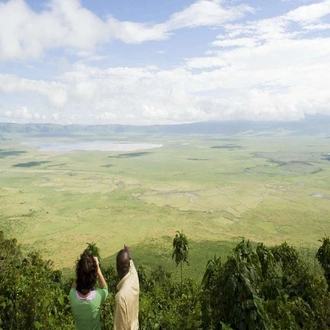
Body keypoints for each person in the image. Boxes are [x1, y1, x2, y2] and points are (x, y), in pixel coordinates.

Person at [69, 249, 108, 330]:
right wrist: (98, 269)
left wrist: (82, 272)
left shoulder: (72, 295)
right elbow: (105, 289)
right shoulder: (98, 297)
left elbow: (73, 287)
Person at [114, 245, 140, 330]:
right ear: (128, 265)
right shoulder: (134, 278)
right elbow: (132, 266)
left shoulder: (121, 297)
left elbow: (120, 327)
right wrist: (128, 254)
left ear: (117, 268)